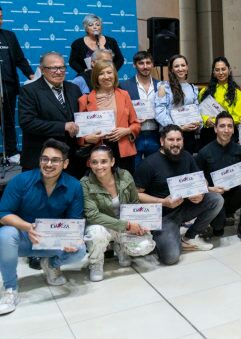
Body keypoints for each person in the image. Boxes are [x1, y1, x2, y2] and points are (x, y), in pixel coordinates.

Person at [0, 139, 85, 315]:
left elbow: (74, 222)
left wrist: (70, 241)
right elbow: (3, 213)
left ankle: (50, 264)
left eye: (55, 160)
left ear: (65, 163)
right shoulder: (21, 180)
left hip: (52, 240)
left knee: (80, 249)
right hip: (24, 238)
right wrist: (27, 227)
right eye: (44, 159)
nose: (48, 164)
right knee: (6, 234)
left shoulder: (74, 186)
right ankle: (10, 289)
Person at [134, 125, 224, 265]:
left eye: (178, 139)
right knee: (171, 258)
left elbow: (201, 180)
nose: (175, 143)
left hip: (184, 207)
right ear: (162, 141)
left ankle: (189, 238)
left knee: (216, 199)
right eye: (171, 140)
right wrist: (163, 202)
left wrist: (200, 192)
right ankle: (160, 237)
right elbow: (136, 195)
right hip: (163, 216)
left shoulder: (187, 156)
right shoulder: (149, 164)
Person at [81, 146, 155, 281]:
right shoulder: (85, 183)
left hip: (125, 224)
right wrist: (127, 226)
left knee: (145, 246)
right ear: (89, 163)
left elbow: (134, 203)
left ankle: (119, 245)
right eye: (94, 162)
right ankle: (96, 263)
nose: (99, 166)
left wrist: (139, 223)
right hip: (101, 226)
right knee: (96, 234)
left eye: (104, 161)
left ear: (112, 162)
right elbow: (93, 215)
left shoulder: (125, 175)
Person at [18, 52, 83, 177]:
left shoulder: (74, 89)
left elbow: (82, 117)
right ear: (42, 70)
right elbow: (27, 122)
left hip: (71, 160)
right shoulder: (29, 91)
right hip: (41, 159)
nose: (59, 72)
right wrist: (63, 126)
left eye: (62, 67)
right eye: (53, 68)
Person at [196, 112, 241, 244]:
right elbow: (197, 181)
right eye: (222, 126)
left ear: (233, 129)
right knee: (218, 229)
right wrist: (211, 189)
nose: (226, 130)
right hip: (216, 197)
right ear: (215, 129)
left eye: (230, 126)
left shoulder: (240, 150)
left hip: (234, 196)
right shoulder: (204, 152)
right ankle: (216, 222)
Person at [78, 60, 141, 175]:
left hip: (123, 151)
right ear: (96, 77)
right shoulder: (84, 100)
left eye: (109, 72)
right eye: (101, 73)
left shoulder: (124, 95)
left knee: (124, 184)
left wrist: (127, 130)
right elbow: (80, 134)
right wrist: (87, 139)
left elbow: (136, 124)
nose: (106, 76)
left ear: (115, 75)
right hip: (98, 152)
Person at [0, 5, 35, 163]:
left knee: (8, 121)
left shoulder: (9, 36)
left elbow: (20, 59)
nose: (0, 20)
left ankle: (12, 152)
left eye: (1, 17)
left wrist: (31, 75)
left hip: (8, 86)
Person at [121, 51, 160, 167]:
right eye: (141, 63)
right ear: (134, 65)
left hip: (155, 134)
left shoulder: (161, 85)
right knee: (135, 171)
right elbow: (122, 111)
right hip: (134, 136)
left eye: (148, 63)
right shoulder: (124, 86)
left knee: (154, 169)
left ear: (152, 64)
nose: (145, 66)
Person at [155, 54, 201, 154]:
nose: (180, 69)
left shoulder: (192, 88)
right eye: (176, 66)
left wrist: (198, 123)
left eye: (183, 65)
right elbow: (160, 113)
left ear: (187, 68)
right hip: (171, 135)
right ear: (171, 69)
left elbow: (197, 110)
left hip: (189, 135)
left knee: (188, 161)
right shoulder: (164, 87)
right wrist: (178, 128)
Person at [198, 56, 241, 149]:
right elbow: (198, 111)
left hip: (228, 132)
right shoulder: (204, 91)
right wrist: (206, 119)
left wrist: (218, 122)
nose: (221, 72)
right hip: (208, 134)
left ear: (229, 70)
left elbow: (238, 117)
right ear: (213, 72)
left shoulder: (237, 93)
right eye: (217, 70)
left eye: (223, 69)